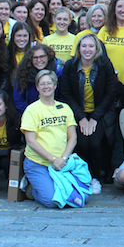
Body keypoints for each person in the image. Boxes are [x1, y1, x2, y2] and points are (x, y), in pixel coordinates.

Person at [59, 33, 119, 192]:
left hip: (100, 113)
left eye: (91, 46)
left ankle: (94, 178)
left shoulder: (105, 64)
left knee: (94, 143)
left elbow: (110, 92)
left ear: (97, 49)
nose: (87, 49)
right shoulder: (71, 65)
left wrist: (94, 118)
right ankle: (81, 177)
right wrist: (81, 118)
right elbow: (67, 94)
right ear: (78, 48)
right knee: (82, 143)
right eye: (84, 46)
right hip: (78, 113)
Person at [20, 70, 82, 208]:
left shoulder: (65, 108)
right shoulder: (32, 110)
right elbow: (30, 141)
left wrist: (63, 159)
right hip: (39, 163)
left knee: (81, 196)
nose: (46, 86)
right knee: (52, 201)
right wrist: (53, 159)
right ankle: (32, 189)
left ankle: (48, 184)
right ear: (37, 87)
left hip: (62, 163)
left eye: (49, 83)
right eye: (42, 84)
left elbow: (73, 138)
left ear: (55, 85)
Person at [12, 45, 61, 112]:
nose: (38, 60)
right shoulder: (24, 73)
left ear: (48, 56)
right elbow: (18, 98)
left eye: (42, 56)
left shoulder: (58, 71)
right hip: (30, 112)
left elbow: (63, 95)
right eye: (35, 57)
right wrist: (28, 113)